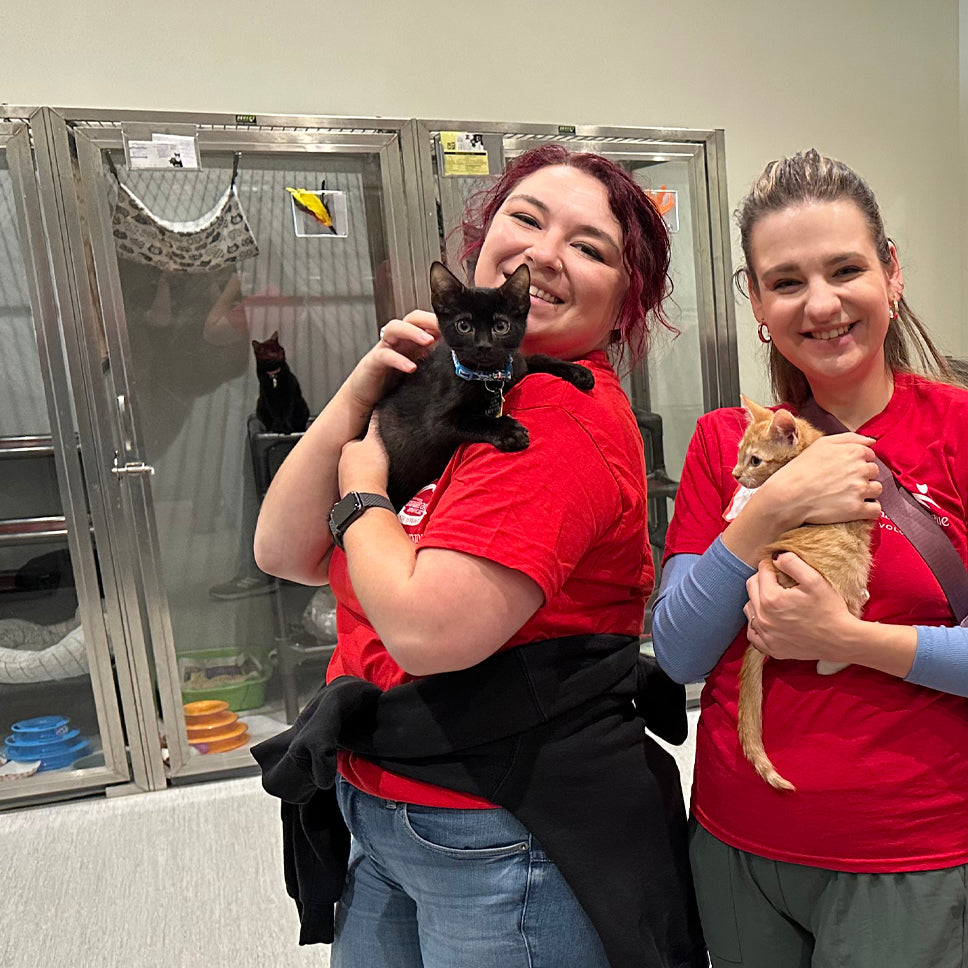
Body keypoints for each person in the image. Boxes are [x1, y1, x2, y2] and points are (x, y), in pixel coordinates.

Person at [251, 144, 701, 968]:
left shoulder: (553, 418)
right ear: (483, 240)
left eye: (590, 247)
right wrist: (364, 389)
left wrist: (362, 494)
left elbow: (431, 631)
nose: (543, 251)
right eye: (525, 218)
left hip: (497, 824)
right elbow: (284, 548)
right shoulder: (454, 388)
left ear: (626, 302)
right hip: (382, 796)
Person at [652, 149, 968, 968]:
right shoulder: (722, 446)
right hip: (738, 838)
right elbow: (676, 649)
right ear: (756, 302)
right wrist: (770, 508)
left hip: (906, 849)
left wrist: (846, 640)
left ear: (891, 273)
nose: (820, 304)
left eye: (845, 269)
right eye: (785, 281)